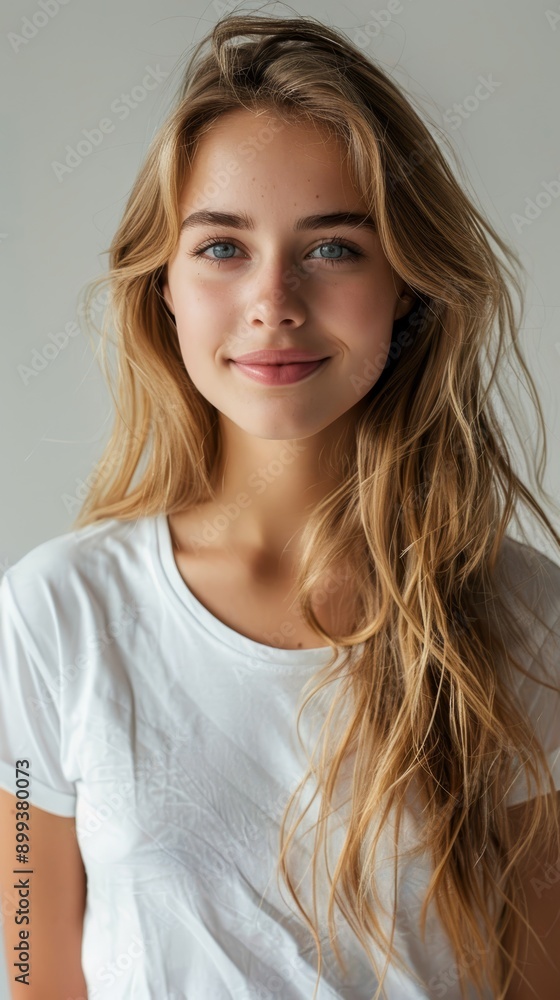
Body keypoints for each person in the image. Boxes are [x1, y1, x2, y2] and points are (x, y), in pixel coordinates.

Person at [1, 10, 560, 1000]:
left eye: (334, 248)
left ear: (407, 287)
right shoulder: (55, 616)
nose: (274, 299)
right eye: (221, 248)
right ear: (163, 286)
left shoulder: (521, 616)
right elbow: (31, 977)